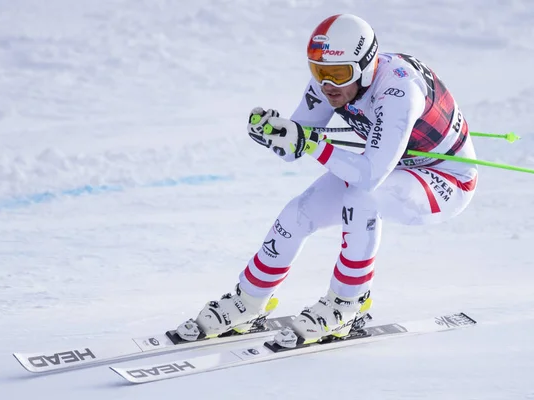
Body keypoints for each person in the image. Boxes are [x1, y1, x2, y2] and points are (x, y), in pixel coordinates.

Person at [177, 13, 478, 348]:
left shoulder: (398, 91)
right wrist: (274, 134)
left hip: (444, 179)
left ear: (364, 67)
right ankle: (249, 301)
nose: (327, 85)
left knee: (362, 201)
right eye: (318, 72)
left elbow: (368, 176)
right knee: (298, 213)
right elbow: (297, 144)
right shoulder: (330, 80)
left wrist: (310, 143)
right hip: (391, 166)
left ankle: (348, 303)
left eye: (338, 74)